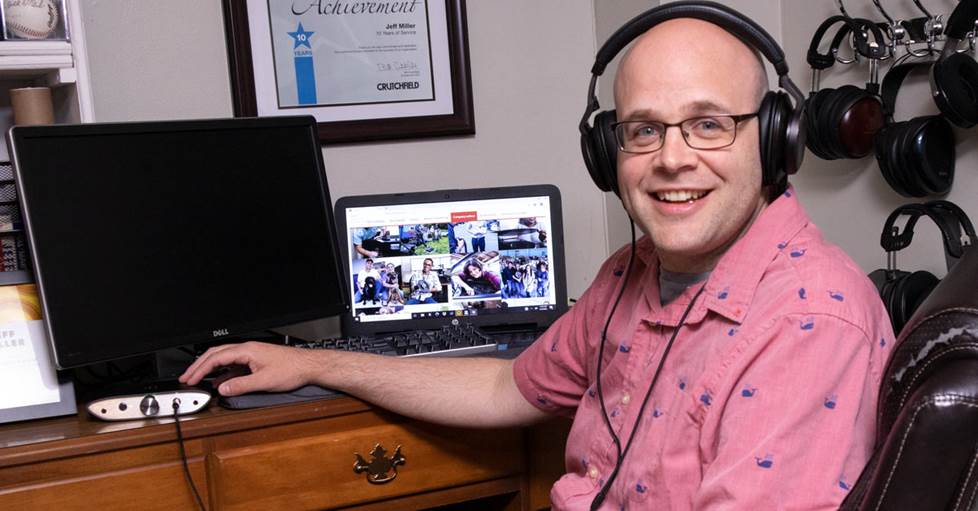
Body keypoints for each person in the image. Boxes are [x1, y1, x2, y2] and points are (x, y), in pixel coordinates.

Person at [182, 11, 893, 510]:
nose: (672, 158)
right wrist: (314, 364)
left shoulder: (809, 323)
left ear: (774, 140)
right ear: (604, 153)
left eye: (708, 124)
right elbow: (503, 389)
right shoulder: (628, 274)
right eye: (643, 130)